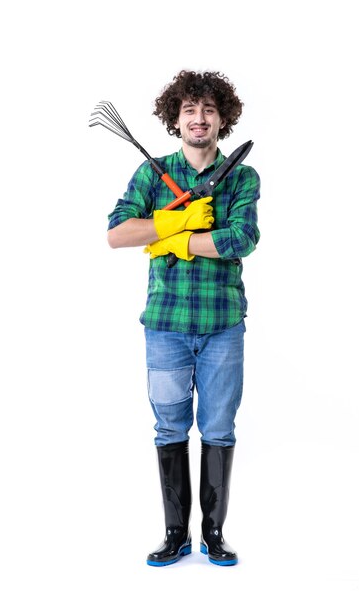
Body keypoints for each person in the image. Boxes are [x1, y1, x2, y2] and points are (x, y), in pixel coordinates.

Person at [107, 70, 260, 567]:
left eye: (209, 110)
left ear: (223, 120)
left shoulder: (241, 177)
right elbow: (117, 233)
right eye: (190, 109)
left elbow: (240, 240)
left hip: (222, 324)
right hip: (166, 325)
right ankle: (176, 534)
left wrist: (169, 243)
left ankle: (214, 534)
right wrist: (174, 219)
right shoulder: (154, 175)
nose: (199, 118)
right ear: (176, 118)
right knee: (169, 427)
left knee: (218, 426)